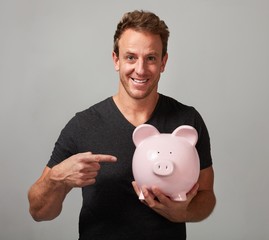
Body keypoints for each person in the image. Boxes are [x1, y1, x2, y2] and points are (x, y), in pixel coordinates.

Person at [28, 10, 216, 240]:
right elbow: (39, 212)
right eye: (130, 57)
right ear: (116, 60)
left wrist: (181, 212)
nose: (140, 69)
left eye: (151, 58)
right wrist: (56, 179)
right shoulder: (83, 125)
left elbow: (206, 196)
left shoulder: (187, 120)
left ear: (163, 62)